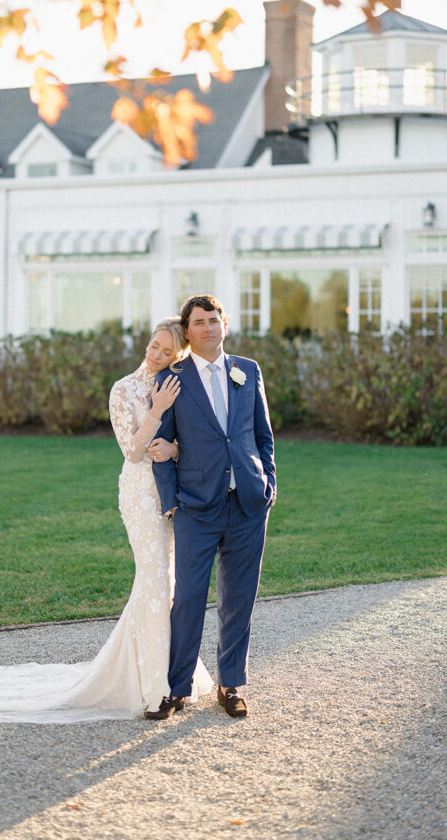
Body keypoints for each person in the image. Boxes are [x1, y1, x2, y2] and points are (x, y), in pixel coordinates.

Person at [0, 318, 213, 723]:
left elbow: (191, 443)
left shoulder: (178, 386)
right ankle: (154, 690)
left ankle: (172, 675)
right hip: (139, 495)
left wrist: (177, 447)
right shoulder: (122, 390)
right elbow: (132, 451)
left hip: (173, 496)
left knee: (165, 583)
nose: (157, 355)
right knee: (152, 579)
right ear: (147, 342)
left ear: (179, 354)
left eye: (168, 351)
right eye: (154, 345)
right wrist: (158, 409)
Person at [150, 295, 276, 720]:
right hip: (196, 507)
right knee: (188, 598)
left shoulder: (248, 370)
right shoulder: (172, 378)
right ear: (188, 331)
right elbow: (160, 447)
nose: (208, 328)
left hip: (248, 503)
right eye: (199, 322)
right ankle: (176, 688)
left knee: (239, 598)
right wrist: (171, 502)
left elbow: (263, 436)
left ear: (225, 324)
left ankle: (230, 684)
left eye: (214, 320)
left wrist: (268, 485)